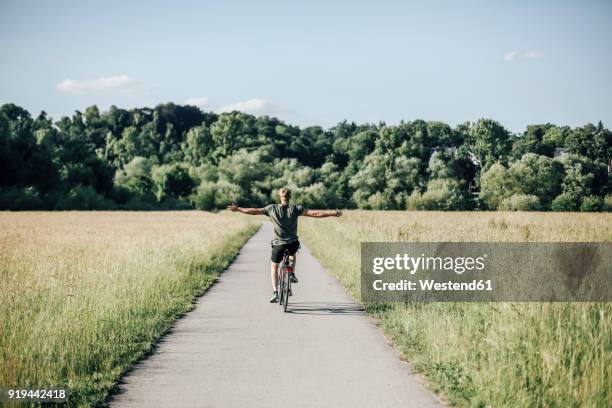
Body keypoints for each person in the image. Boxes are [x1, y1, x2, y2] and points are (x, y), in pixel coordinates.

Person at [227, 187, 343, 302]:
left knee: (274, 266)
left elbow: (254, 211)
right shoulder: (296, 209)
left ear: (280, 197)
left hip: (279, 245)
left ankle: (275, 292)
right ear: (290, 197)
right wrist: (333, 213)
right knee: (293, 252)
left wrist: (238, 209)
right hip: (292, 243)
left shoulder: (272, 208)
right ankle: (291, 272)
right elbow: (315, 213)